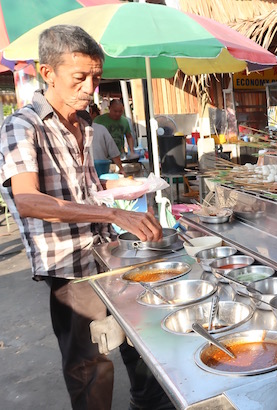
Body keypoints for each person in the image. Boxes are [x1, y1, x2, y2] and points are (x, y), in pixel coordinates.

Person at [0, 25, 170, 410]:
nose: (90, 87)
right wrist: (111, 211)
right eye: (80, 77)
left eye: (95, 77)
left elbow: (86, 193)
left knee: (137, 336)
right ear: (48, 74)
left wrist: (123, 194)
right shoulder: (22, 126)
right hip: (68, 265)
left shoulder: (84, 125)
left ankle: (149, 403)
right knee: (90, 364)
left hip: (104, 253)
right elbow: (28, 200)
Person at [89, 103, 125, 175]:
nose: (117, 114)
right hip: (101, 170)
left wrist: (121, 168)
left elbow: (113, 151)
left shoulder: (100, 128)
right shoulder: (100, 128)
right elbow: (113, 151)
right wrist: (121, 169)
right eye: (115, 111)